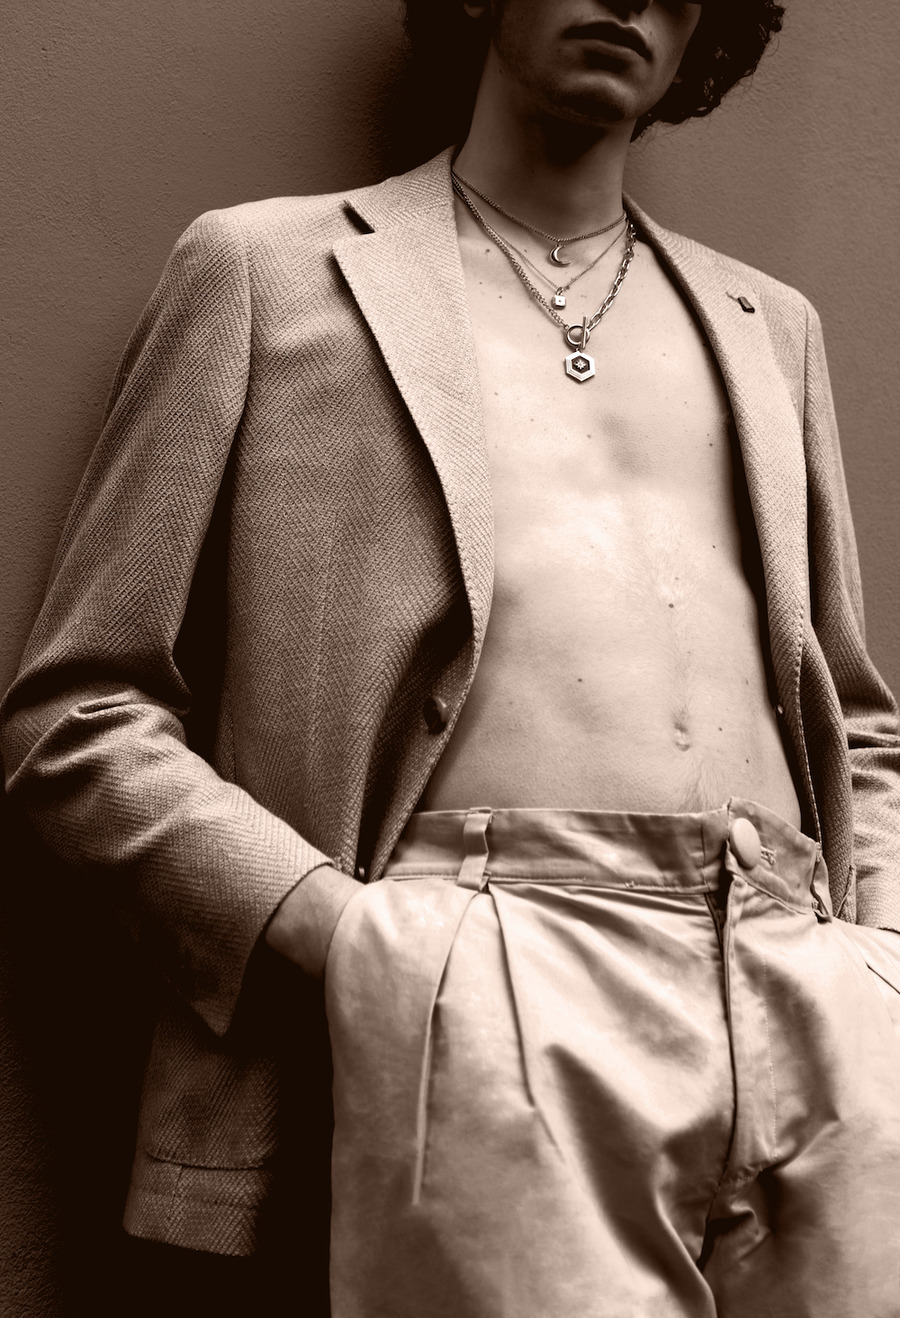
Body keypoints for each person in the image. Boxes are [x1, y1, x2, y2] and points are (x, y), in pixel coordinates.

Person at [3, 0, 900, 1314]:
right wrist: (350, 937)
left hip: (807, 989)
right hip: (477, 970)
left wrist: (880, 957)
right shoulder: (268, 270)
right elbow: (79, 711)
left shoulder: (771, 324)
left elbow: (855, 723)